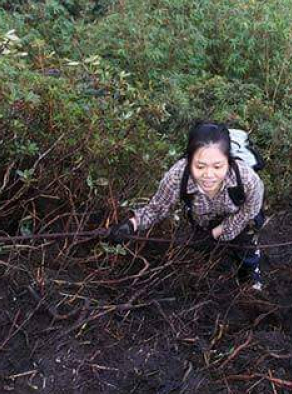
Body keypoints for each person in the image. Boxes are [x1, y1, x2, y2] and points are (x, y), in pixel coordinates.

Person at [108, 122, 266, 290]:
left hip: (240, 217)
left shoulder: (247, 178)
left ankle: (250, 277)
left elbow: (249, 211)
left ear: (228, 160)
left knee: (245, 247)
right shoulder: (178, 175)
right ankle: (221, 269)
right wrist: (131, 225)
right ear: (189, 160)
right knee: (210, 251)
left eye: (218, 166)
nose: (208, 175)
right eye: (200, 166)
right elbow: (157, 208)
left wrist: (215, 233)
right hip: (204, 220)